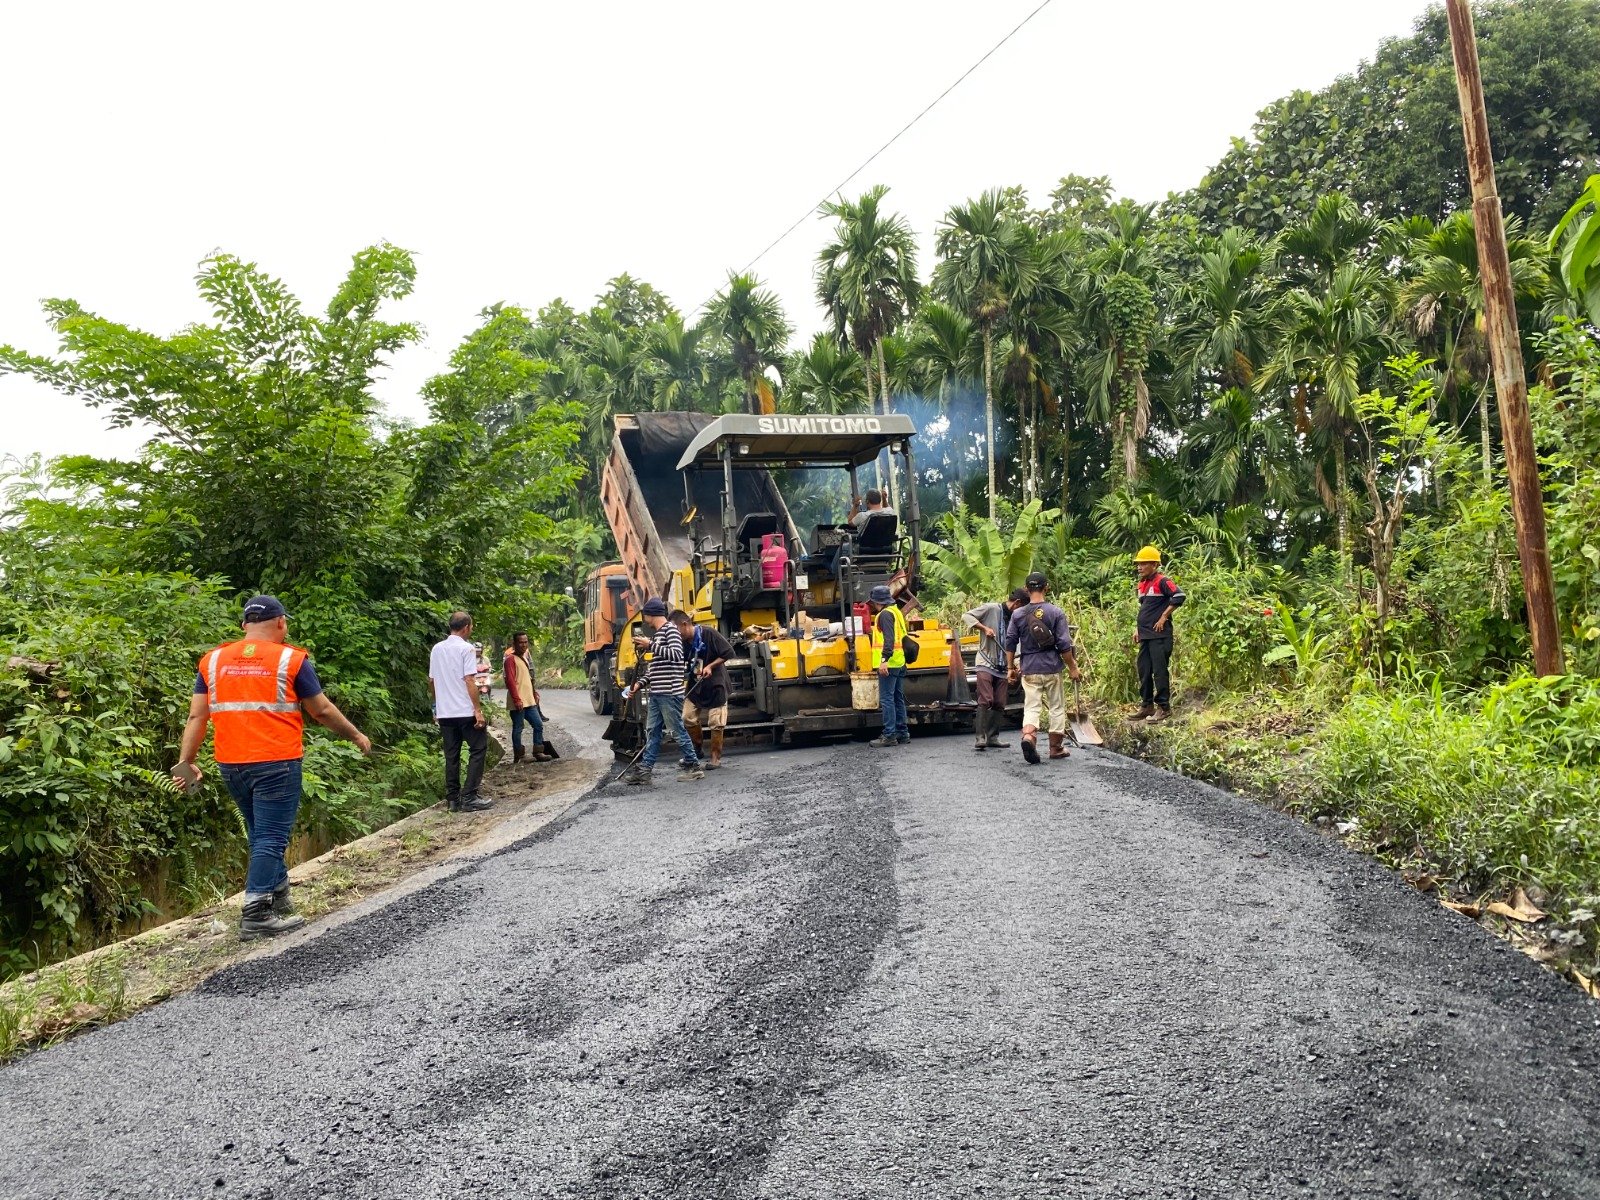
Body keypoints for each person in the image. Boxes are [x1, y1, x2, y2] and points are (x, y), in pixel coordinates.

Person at [173, 595, 372, 940]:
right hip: (276, 762)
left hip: (231, 764)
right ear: (281, 623)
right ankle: (256, 912)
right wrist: (355, 735)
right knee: (270, 837)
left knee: (260, 834)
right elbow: (321, 710)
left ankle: (278, 897)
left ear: (243, 626)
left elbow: (196, 715)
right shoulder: (291, 659)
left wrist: (186, 762)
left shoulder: (213, 661)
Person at [1003, 571, 1083, 765]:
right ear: (1046, 587)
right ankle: (1056, 748)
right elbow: (1064, 646)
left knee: (1032, 706)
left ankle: (1029, 737)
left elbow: (1010, 642)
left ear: (1026, 590)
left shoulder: (1018, 614)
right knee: (1056, 707)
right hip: (1052, 667)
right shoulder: (1055, 612)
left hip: (1029, 668)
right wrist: (1073, 667)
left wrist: (1010, 668)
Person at [622, 598, 704, 785]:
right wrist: (639, 684)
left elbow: (677, 655)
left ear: (650, 614)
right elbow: (655, 668)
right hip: (658, 693)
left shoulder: (671, 631)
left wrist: (650, 645)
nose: (644, 619)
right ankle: (645, 771)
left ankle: (693, 766)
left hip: (669, 693)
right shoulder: (659, 635)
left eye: (645, 615)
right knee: (653, 731)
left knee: (677, 730)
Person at [430, 611, 492, 813]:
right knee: (478, 749)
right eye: (471, 627)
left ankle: (453, 800)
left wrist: (435, 706)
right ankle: (470, 796)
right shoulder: (467, 649)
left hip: (445, 713)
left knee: (452, 755)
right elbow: (469, 680)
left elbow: (432, 681)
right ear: (466, 627)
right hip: (464, 711)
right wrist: (478, 710)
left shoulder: (437, 649)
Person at [963, 588, 1028, 752]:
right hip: (986, 661)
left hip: (1003, 665)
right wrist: (983, 628)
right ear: (1017, 603)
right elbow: (967, 616)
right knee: (986, 698)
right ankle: (980, 737)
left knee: (999, 702)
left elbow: (1016, 642)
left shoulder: (1016, 618)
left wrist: (1017, 663)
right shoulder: (991, 609)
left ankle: (993, 737)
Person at [671, 609, 735, 770]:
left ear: (685, 625)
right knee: (687, 717)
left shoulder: (708, 633)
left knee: (716, 722)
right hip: (696, 685)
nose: (675, 635)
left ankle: (715, 758)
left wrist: (711, 666)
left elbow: (729, 652)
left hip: (715, 684)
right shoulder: (682, 642)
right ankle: (696, 750)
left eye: (676, 630)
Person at [1132, 545, 1186, 723]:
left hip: (1160, 636)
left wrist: (1164, 616)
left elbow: (1179, 596)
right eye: (1138, 564)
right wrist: (1137, 628)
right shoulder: (1142, 584)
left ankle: (1164, 708)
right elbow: (1145, 609)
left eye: (1144, 564)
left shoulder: (1163, 581)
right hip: (1146, 635)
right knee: (1144, 670)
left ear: (1154, 565)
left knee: (1159, 671)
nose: (1139, 567)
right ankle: (1147, 705)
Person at [867, 583, 910, 748]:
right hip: (899, 661)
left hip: (889, 663)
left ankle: (889, 735)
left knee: (887, 699)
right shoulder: (896, 612)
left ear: (878, 602)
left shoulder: (884, 615)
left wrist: (884, 660)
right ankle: (902, 732)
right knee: (897, 698)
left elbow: (889, 640)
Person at [503, 632, 551, 764]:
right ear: (514, 644)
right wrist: (517, 699)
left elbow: (527, 679)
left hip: (529, 700)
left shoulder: (523, 658)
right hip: (517, 701)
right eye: (521, 642)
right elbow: (511, 681)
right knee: (518, 728)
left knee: (538, 724)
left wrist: (534, 693)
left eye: (525, 642)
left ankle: (538, 751)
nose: (524, 645)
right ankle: (519, 755)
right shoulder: (510, 660)